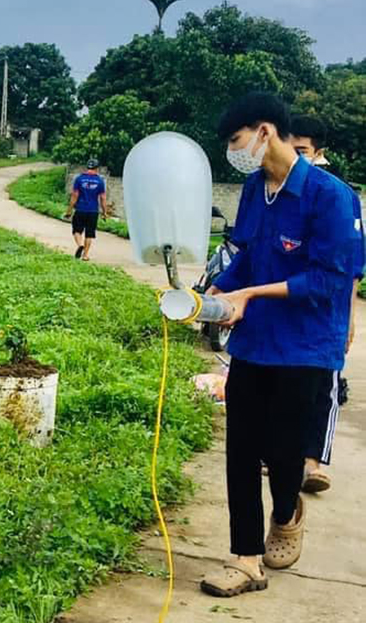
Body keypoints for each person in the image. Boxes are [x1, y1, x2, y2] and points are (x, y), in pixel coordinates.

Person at [200, 93, 359, 598]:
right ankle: (245, 559)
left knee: (286, 454)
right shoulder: (253, 189)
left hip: (307, 346)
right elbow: (249, 254)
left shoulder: (331, 197)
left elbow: (329, 280)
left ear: (264, 131)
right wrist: (221, 287)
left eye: (236, 139)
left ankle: (287, 509)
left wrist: (250, 293)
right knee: (242, 450)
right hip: (254, 342)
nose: (233, 150)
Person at [288, 115, 365, 494]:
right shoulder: (273, 190)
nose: (295, 158)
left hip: (326, 313)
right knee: (282, 385)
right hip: (283, 307)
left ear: (319, 152)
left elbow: (352, 266)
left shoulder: (340, 196)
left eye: (302, 151)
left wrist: (349, 318)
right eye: (290, 149)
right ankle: (282, 455)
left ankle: (312, 462)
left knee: (322, 388)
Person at [64, 158, 109, 261]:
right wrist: (104, 212)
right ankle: (85, 255)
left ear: (87, 167)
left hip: (80, 209)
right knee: (89, 234)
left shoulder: (79, 179)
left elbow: (75, 195)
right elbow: (103, 198)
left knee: (77, 230)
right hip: (93, 211)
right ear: (97, 168)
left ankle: (80, 245)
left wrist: (69, 210)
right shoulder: (100, 181)